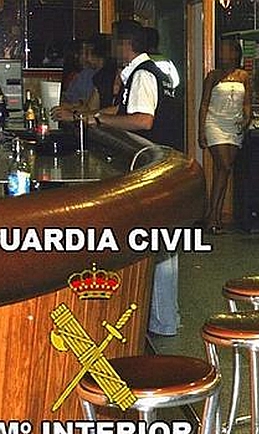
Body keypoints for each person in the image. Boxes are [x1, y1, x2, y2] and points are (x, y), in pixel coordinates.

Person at [88, 20, 182, 336]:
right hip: (163, 165)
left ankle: (164, 321)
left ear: (125, 44)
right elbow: (128, 110)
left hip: (155, 167)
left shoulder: (143, 74)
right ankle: (164, 318)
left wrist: (100, 119)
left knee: (160, 244)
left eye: (115, 42)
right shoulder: (146, 72)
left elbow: (142, 120)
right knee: (162, 242)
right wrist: (98, 115)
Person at [198, 38, 252, 235]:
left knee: (224, 171)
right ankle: (213, 215)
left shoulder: (243, 76)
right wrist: (201, 130)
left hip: (234, 125)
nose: (223, 54)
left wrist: (247, 118)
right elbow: (204, 103)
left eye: (227, 50)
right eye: (221, 51)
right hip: (215, 123)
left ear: (236, 53)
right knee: (224, 166)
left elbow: (247, 102)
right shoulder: (213, 76)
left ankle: (215, 215)